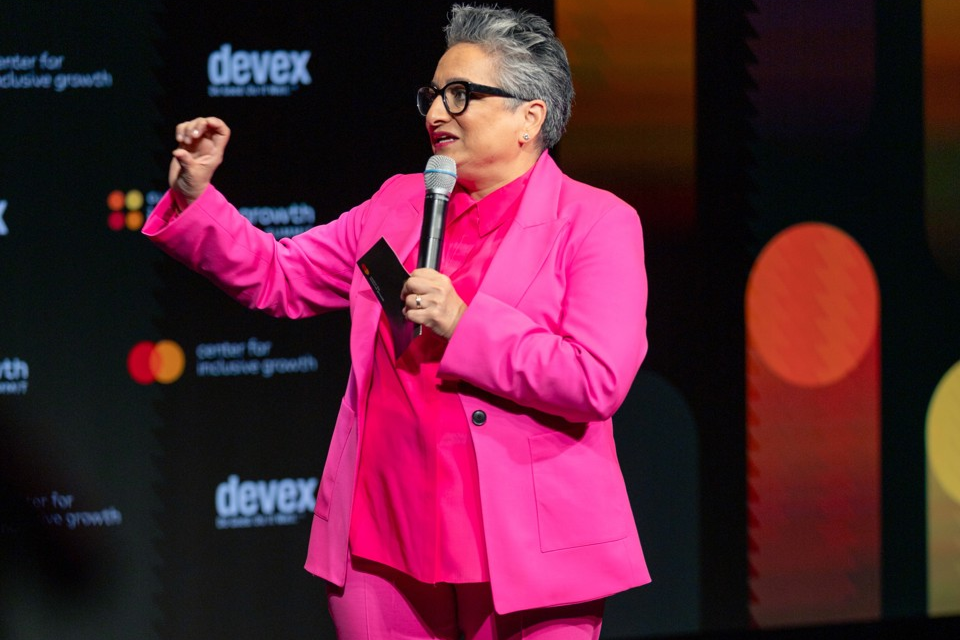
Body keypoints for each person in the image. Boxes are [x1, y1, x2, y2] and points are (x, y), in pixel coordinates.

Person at [144, 4, 650, 638]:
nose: (437, 113)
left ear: (530, 116)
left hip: (527, 556)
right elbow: (279, 275)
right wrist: (195, 196)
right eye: (432, 95)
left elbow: (595, 379)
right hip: (383, 549)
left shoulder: (597, 222)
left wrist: (464, 322)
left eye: (460, 95)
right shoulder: (397, 203)